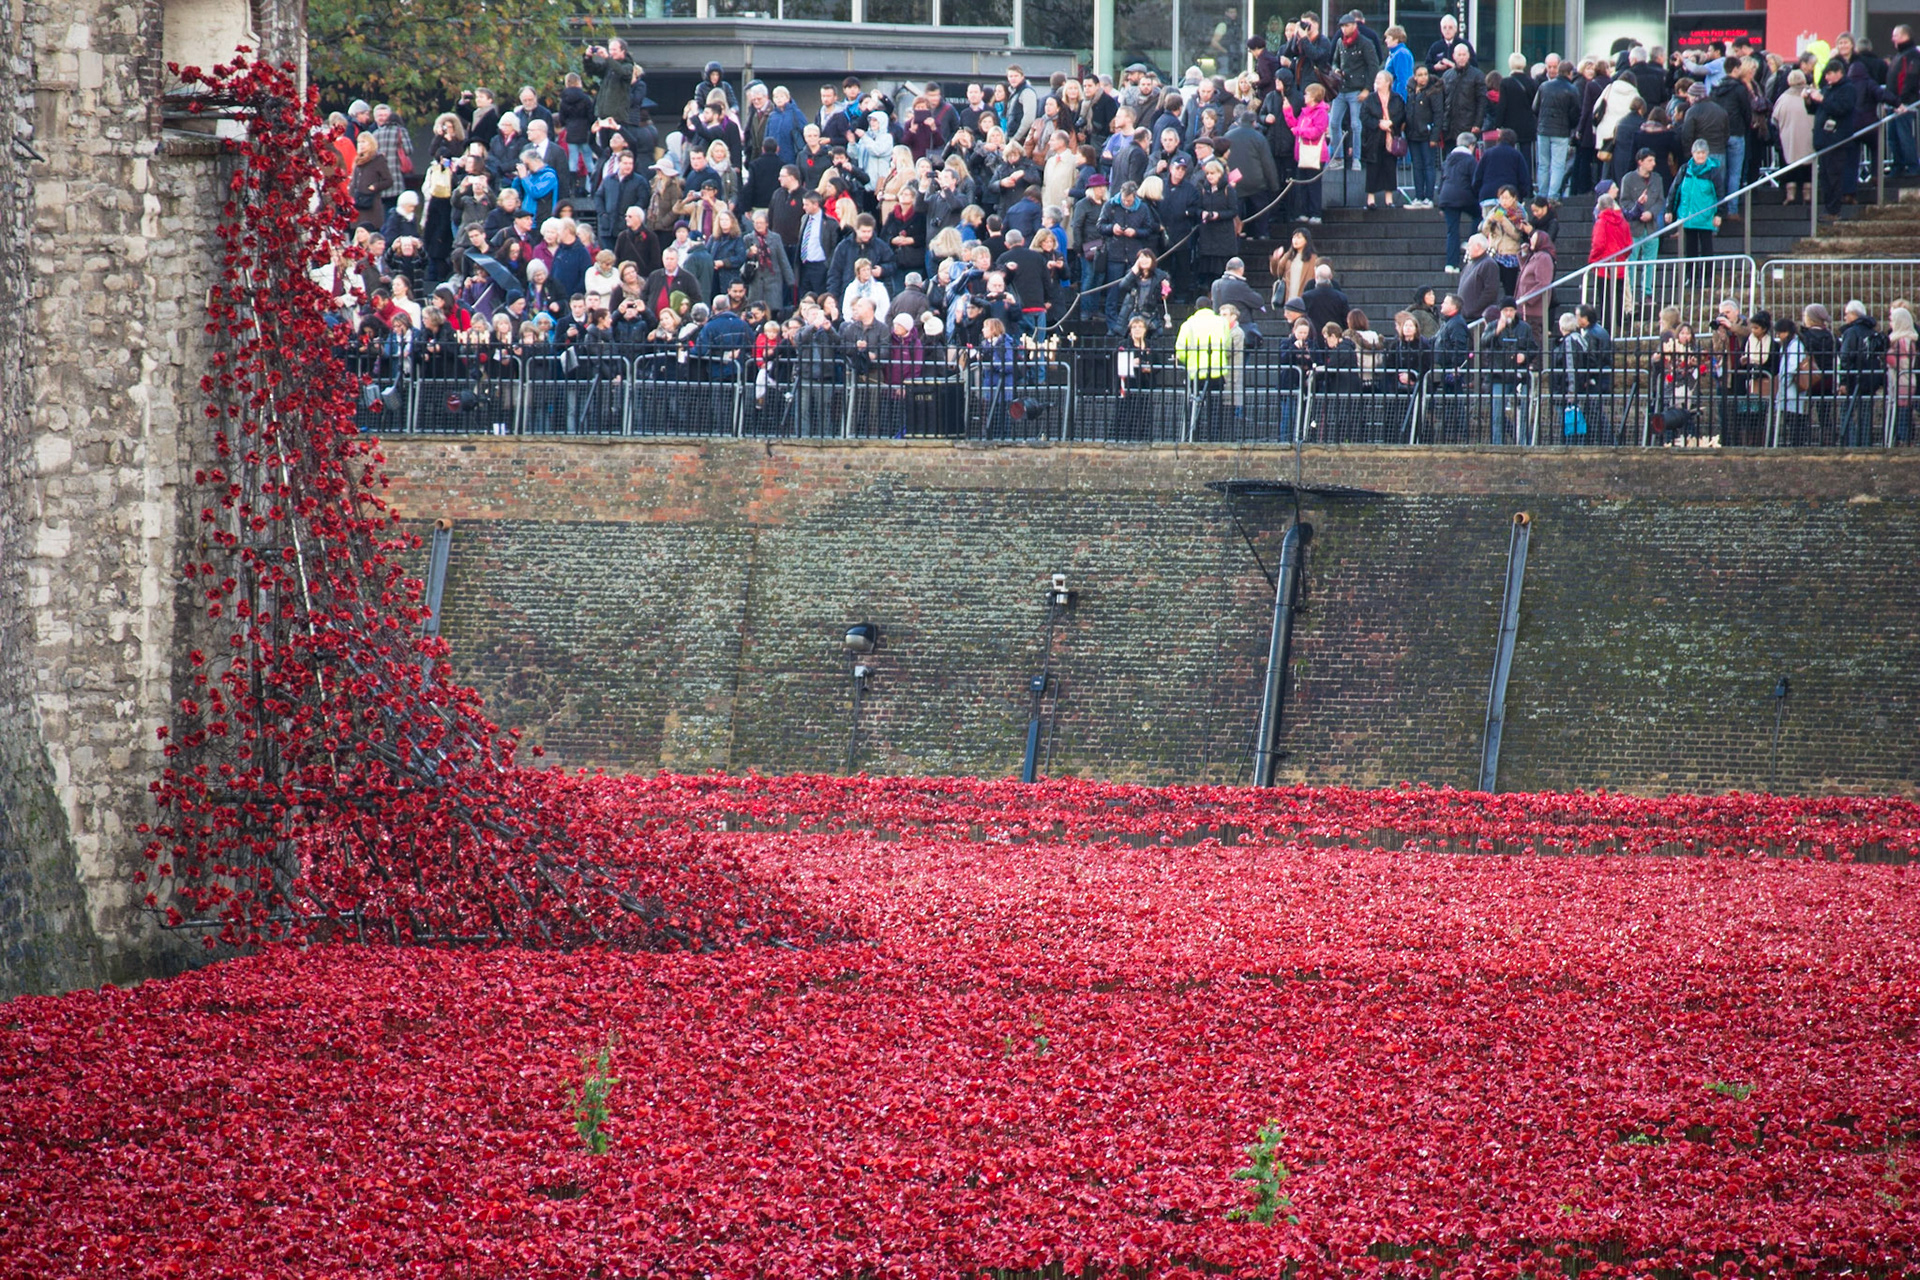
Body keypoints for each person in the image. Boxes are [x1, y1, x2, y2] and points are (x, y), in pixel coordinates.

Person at [1664, 139, 1722, 276]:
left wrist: (1719, 214)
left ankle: (1707, 277)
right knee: (1690, 250)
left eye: (1703, 153)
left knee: (1707, 249)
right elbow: (1675, 189)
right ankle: (1691, 276)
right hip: (1688, 216)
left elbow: (1720, 194)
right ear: (1692, 153)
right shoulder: (1685, 169)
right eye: (1698, 153)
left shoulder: (1713, 171)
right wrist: (1669, 210)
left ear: (1707, 154)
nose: (1700, 156)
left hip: (1705, 217)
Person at [1281, 84, 1332, 223]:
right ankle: (1304, 212)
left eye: (1307, 94)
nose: (1304, 96)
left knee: (1313, 184)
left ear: (1314, 96)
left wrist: (1299, 132)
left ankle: (1315, 213)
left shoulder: (1321, 113)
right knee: (1302, 184)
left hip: (1315, 154)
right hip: (1302, 153)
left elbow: (1316, 132)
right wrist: (1288, 111)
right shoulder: (1305, 112)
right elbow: (1294, 124)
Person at [1358, 70, 1406, 210]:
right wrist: (1379, 123)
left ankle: (1389, 199)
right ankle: (1370, 200)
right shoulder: (1370, 99)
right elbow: (1364, 116)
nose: (1377, 81)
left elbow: (1402, 113)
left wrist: (1390, 123)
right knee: (1373, 168)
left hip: (1391, 137)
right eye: (1376, 78)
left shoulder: (1396, 98)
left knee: (1390, 167)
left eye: (1380, 79)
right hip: (1374, 138)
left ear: (1387, 82)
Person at [1436, 133, 1479, 272]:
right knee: (1478, 215)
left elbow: (1442, 180)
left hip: (1447, 198)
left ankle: (1451, 264)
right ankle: (1470, 240)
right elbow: (1475, 182)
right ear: (1471, 145)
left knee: (1452, 232)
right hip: (1465, 196)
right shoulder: (1470, 160)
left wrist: (1441, 203)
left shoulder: (1448, 159)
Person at [1770, 71, 1815, 204]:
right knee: (1808, 164)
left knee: (1789, 164)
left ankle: (1791, 194)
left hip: (1788, 138)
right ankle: (1808, 194)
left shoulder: (1783, 98)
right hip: (1809, 136)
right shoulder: (1812, 94)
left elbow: (1774, 119)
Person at [1300, 262, 1349, 330]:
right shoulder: (1341, 297)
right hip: (1334, 336)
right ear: (1330, 277)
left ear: (1316, 277)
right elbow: (1345, 320)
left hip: (1314, 336)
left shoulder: (1307, 297)